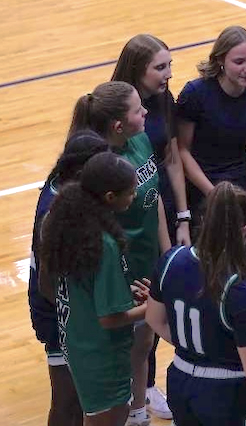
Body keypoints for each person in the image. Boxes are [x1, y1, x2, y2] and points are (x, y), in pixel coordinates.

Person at [67, 80, 167, 426]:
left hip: (148, 257)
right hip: (120, 267)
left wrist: (166, 251)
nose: (147, 112)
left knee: (143, 344)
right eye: (139, 110)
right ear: (117, 126)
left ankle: (138, 412)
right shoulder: (99, 167)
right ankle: (126, 411)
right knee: (127, 345)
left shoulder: (139, 139)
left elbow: (155, 198)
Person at [146, 181, 246, 425]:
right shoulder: (241, 288)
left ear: (203, 221)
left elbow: (154, 319)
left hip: (180, 378)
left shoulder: (170, 259)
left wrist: (196, 344)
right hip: (228, 391)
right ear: (245, 231)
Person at [112, 33, 191, 420]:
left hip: (158, 205)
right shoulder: (117, 110)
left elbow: (172, 159)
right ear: (136, 70)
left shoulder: (163, 100)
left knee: (156, 299)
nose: (168, 74)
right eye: (160, 67)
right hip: (129, 220)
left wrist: (183, 217)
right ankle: (122, 391)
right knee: (130, 306)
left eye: (170, 65)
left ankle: (145, 385)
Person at [39, 152, 149, 426]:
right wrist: (152, 307)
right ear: (110, 197)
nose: (135, 196)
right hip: (101, 356)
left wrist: (125, 295)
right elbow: (109, 318)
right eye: (131, 192)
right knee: (109, 418)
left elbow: (83, 291)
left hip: (79, 342)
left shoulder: (71, 226)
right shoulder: (104, 244)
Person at [29, 130, 109, 426]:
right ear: (81, 170)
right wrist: (76, 320)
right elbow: (48, 284)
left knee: (78, 400)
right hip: (58, 314)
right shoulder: (57, 211)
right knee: (67, 402)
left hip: (66, 311)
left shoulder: (65, 188)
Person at [177, 25, 246, 242]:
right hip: (202, 187)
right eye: (239, 62)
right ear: (220, 61)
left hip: (239, 185)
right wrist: (216, 196)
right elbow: (182, 151)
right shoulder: (195, 94)